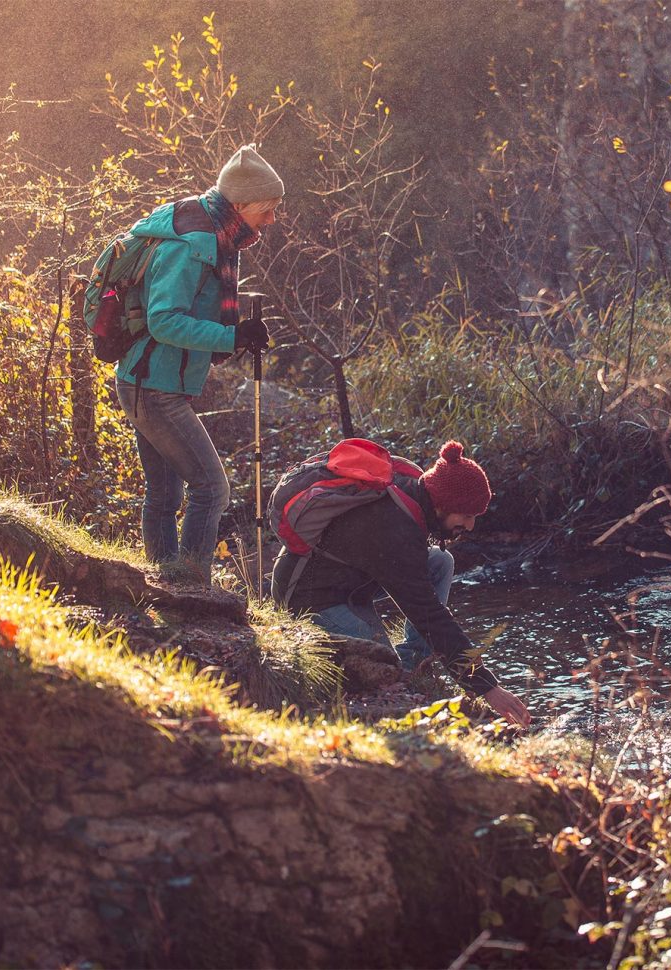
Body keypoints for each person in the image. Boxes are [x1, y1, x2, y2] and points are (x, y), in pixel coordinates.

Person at [114, 144, 281, 585]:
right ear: (242, 205)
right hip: (154, 386)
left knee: (165, 494)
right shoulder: (196, 243)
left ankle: (167, 584)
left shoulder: (215, 232)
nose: (272, 219)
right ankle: (192, 585)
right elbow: (164, 319)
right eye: (268, 209)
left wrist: (236, 331)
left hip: (147, 378)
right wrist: (232, 335)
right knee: (212, 488)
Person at [285, 440, 532, 727]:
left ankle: (416, 660)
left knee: (441, 561)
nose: (470, 526)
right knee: (386, 667)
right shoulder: (395, 529)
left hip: (350, 580)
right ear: (443, 504)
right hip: (312, 596)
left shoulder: (413, 493)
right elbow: (428, 614)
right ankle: (406, 666)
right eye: (466, 516)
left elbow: (421, 598)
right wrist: (486, 687)